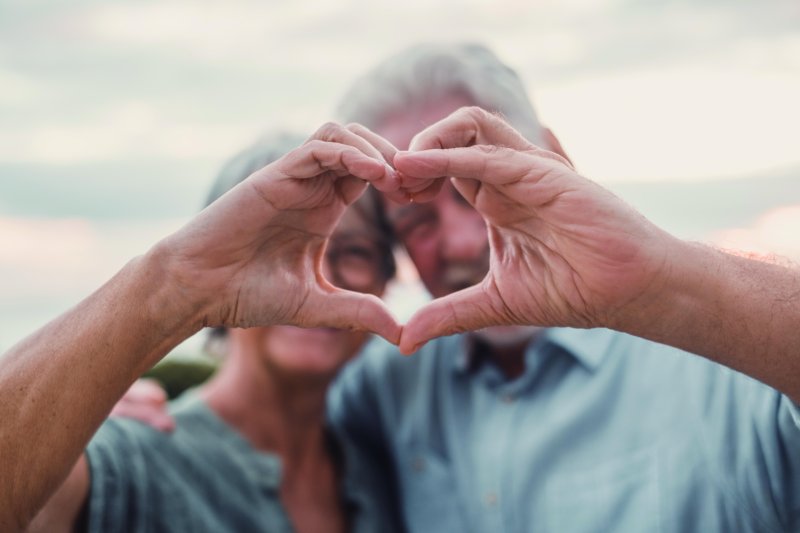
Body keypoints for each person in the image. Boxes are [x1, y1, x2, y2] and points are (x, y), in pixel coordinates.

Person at [326, 43, 800, 532]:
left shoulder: (720, 357)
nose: (464, 245)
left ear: (553, 156)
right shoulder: (385, 386)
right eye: (417, 220)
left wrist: (662, 280)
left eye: (476, 189)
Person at [0, 125, 405, 532]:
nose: (320, 277)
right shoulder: (135, 457)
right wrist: (169, 287)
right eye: (282, 248)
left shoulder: (387, 467)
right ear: (222, 268)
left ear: (385, 282)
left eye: (356, 252)